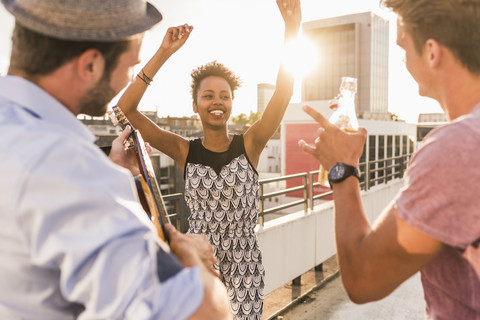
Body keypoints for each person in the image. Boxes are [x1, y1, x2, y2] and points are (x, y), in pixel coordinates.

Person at [0, 0, 232, 319]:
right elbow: (203, 314)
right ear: (91, 65)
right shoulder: (65, 166)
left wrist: (112, 174)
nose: (129, 77)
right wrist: (193, 258)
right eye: (131, 65)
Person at [116, 0, 302, 318]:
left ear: (232, 103)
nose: (217, 102)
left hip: (246, 271)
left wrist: (292, 30)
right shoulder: (183, 150)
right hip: (201, 266)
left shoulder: (252, 144)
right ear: (195, 105)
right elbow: (126, 109)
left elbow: (283, 92)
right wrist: (164, 51)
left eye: (224, 96)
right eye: (208, 96)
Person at [298, 0, 480, 318]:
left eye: (403, 47)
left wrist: (342, 167)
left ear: (432, 52)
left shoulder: (458, 149)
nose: (403, 60)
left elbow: (363, 279)